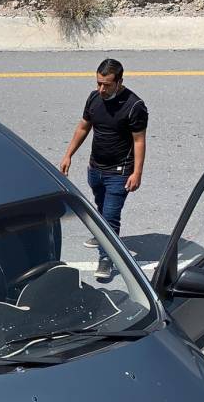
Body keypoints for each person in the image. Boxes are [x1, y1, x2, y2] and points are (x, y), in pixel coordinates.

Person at [59, 58, 148, 281]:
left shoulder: (135, 106)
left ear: (119, 81)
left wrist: (137, 173)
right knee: (101, 207)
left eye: (107, 85)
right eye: (99, 83)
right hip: (95, 168)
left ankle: (107, 257)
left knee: (110, 217)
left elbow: (139, 141)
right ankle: (104, 237)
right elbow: (83, 127)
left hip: (120, 172)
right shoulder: (93, 98)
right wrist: (69, 154)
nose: (101, 89)